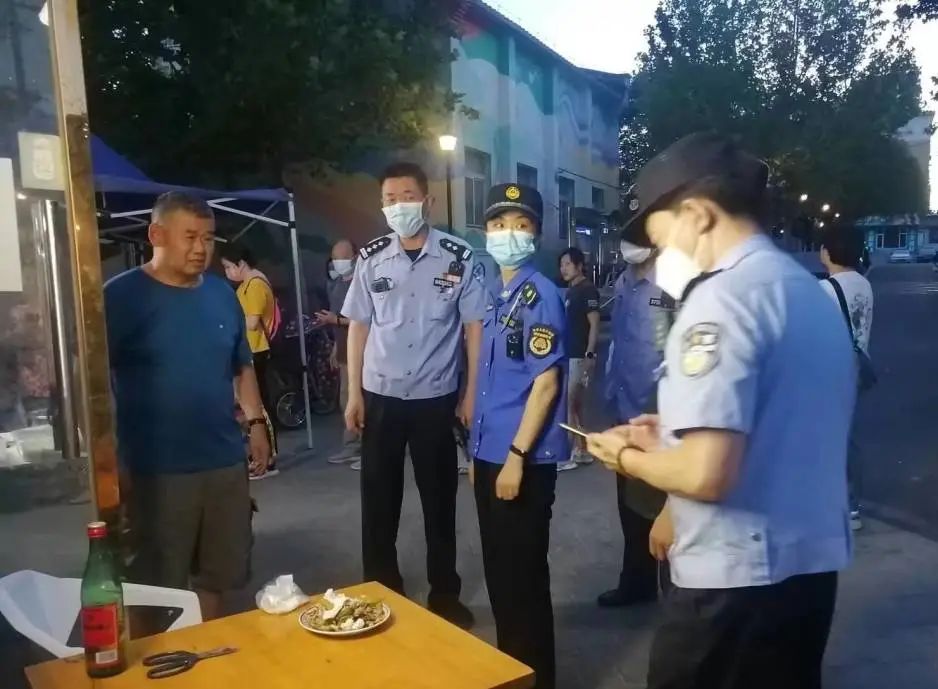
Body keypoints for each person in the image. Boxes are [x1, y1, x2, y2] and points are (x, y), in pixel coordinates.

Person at [586, 133, 856, 689]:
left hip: (731, 584)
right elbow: (781, 415)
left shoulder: (720, 301)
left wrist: (626, 459)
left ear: (698, 216)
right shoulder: (806, 291)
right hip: (807, 574)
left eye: (660, 239)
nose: (659, 259)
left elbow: (705, 475)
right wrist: (673, 431)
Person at [105, 192, 271, 621]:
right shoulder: (119, 298)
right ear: (156, 235)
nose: (201, 248)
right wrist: (110, 463)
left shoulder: (221, 295)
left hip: (222, 462)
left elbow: (241, 366)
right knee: (151, 586)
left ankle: (207, 652)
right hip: (154, 470)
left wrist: (256, 423)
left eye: (209, 238)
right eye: (190, 236)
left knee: (217, 576)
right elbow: (93, 385)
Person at [341, 162, 486, 628]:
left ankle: (445, 593)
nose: (398, 206)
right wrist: (353, 394)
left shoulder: (458, 257)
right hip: (380, 394)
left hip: (435, 397)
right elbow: (358, 327)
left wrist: (471, 393)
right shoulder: (371, 257)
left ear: (428, 201)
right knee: (378, 500)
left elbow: (475, 328)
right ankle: (381, 589)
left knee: (439, 500)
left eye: (406, 197)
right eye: (389, 199)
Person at [470, 183, 568, 689]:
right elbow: (491, 383)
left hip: (522, 459)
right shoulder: (497, 294)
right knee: (501, 579)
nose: (508, 233)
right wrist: (479, 455)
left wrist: (515, 456)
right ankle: (514, 673)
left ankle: (536, 679)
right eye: (499, 224)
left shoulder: (540, 294)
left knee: (523, 581)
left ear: (536, 235)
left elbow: (545, 383)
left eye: (521, 225)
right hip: (491, 454)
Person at [596, 238, 675, 608]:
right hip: (625, 408)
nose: (630, 244)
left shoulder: (674, 281)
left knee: (667, 508)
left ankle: (675, 597)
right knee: (630, 505)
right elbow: (619, 342)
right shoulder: (623, 280)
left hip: (660, 414)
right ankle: (636, 582)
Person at [820, 229, 874, 531]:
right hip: (856, 366)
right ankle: (852, 505)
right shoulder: (864, 284)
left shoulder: (825, 289)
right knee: (848, 437)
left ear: (828, 252)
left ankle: (839, 505)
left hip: (829, 370)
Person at [220, 244, 279, 478]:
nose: (227, 272)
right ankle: (259, 455)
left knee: (261, 406)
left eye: (228, 267)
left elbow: (252, 322)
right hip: (250, 348)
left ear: (241, 264)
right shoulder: (246, 285)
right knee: (254, 405)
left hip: (257, 349)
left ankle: (269, 458)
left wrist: (227, 325)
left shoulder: (255, 285)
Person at [318, 239, 362, 469]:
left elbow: (363, 320)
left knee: (361, 398)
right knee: (345, 398)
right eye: (335, 258)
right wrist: (336, 347)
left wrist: (335, 320)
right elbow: (339, 320)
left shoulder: (361, 283)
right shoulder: (336, 284)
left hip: (362, 352)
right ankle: (352, 445)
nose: (338, 262)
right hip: (345, 350)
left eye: (343, 258)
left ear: (355, 257)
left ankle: (367, 448)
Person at [556, 247, 599, 472]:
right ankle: (582, 450)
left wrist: (590, 353)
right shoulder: (571, 291)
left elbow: (594, 324)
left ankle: (569, 454)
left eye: (568, 264)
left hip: (580, 355)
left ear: (579, 265)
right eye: (561, 265)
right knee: (575, 405)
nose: (563, 269)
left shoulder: (587, 290)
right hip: (569, 354)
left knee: (570, 403)